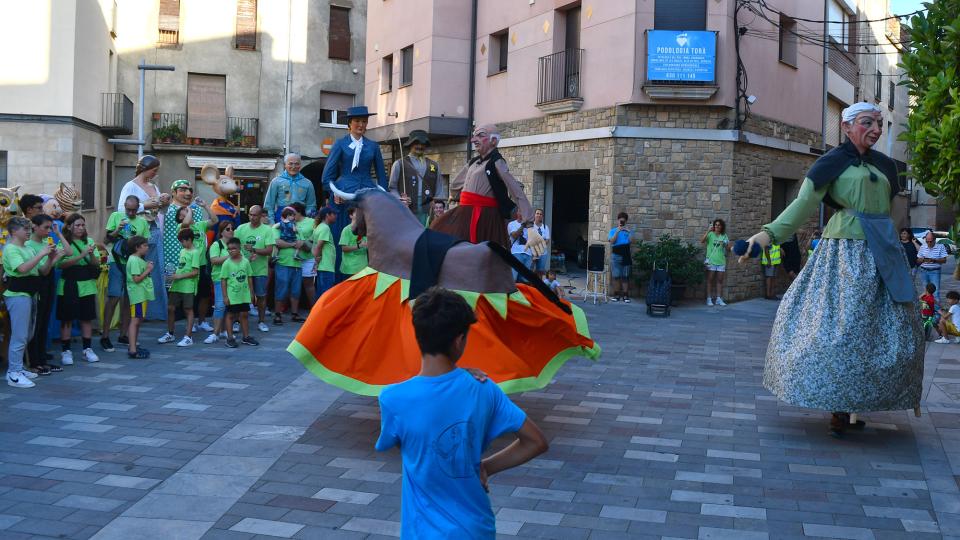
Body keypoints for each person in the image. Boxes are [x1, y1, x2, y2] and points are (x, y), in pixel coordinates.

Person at [740, 101, 922, 437]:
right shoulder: (831, 164)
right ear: (847, 126)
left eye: (879, 124)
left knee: (879, 333)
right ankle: (839, 407)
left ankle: (856, 403)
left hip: (883, 253)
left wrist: (891, 241)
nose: (876, 130)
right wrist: (766, 236)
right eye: (868, 123)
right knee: (842, 331)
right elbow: (802, 205)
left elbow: (897, 211)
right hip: (845, 255)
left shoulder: (886, 166)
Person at [375, 287, 548, 538]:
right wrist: (486, 467)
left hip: (422, 532)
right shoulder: (484, 389)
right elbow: (536, 441)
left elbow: (396, 443)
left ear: (418, 333)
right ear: (459, 340)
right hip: (475, 528)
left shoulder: (392, 399)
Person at [431, 124, 543, 255]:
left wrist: (530, 226)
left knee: (483, 257)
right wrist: (455, 196)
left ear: (493, 141)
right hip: (464, 214)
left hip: (484, 218)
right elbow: (456, 184)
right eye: (474, 136)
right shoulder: (473, 162)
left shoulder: (497, 162)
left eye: (480, 135)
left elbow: (516, 192)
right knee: (441, 242)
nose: (473, 140)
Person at [321, 106, 387, 282]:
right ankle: (338, 282)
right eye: (357, 121)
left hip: (367, 196)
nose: (361, 125)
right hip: (343, 197)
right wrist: (333, 192)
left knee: (369, 238)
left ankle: (367, 280)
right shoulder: (340, 144)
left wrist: (382, 197)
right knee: (341, 239)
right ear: (349, 124)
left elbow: (382, 177)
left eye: (364, 121)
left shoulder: (373, 146)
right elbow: (327, 176)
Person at [118, 155, 171, 321]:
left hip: (154, 231)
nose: (156, 173)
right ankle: (137, 311)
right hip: (137, 235)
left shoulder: (154, 186)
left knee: (155, 270)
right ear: (145, 168)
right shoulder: (130, 186)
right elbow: (122, 210)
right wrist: (146, 205)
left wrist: (164, 203)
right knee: (138, 270)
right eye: (154, 170)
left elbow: (161, 212)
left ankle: (154, 312)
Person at [5, 217, 56, 388]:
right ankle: (13, 372)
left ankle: (19, 367)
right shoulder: (11, 249)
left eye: (29, 228)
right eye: (24, 228)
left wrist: (51, 258)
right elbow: (22, 269)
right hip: (18, 294)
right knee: (19, 335)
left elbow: (41, 270)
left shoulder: (27, 248)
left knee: (28, 334)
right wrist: (42, 253)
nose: (28, 231)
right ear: (13, 231)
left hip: (31, 294)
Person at [163, 179, 218, 334]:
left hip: (200, 262)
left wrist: (205, 206)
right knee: (184, 296)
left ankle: (201, 321)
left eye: (189, 190)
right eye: (182, 190)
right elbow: (186, 223)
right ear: (174, 192)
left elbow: (214, 220)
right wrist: (189, 210)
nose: (187, 193)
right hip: (181, 263)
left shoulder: (198, 220)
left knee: (204, 293)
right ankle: (186, 324)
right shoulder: (173, 215)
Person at [102, 195, 149, 351]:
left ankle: (123, 335)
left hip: (133, 265)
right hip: (116, 262)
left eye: (134, 210)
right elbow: (106, 241)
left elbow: (144, 248)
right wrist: (118, 230)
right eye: (128, 209)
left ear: (138, 208)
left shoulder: (142, 222)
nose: (130, 213)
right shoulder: (116, 216)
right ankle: (105, 335)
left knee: (130, 301)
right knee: (114, 297)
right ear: (124, 206)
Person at [25, 214, 69, 375]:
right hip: (38, 283)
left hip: (49, 282)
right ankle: (34, 361)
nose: (48, 231)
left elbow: (68, 252)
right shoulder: (29, 245)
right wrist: (52, 258)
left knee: (44, 321)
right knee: (36, 323)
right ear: (34, 227)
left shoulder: (47, 242)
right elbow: (42, 270)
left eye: (50, 227)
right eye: (45, 227)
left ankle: (42, 359)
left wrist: (58, 234)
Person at [56, 214, 101, 364]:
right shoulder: (64, 243)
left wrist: (90, 254)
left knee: (86, 318)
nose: (81, 228)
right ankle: (66, 351)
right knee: (67, 319)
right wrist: (81, 255)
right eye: (77, 225)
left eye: (83, 225)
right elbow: (60, 265)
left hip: (87, 284)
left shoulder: (89, 241)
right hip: (68, 284)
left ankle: (87, 349)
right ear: (69, 226)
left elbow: (95, 263)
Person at [389, 129, 445, 225]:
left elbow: (439, 190)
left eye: (423, 143)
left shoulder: (434, 165)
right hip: (407, 211)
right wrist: (400, 200)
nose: (420, 146)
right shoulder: (399, 164)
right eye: (417, 143)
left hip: (428, 213)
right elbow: (392, 188)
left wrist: (438, 208)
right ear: (410, 144)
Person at [234, 205, 274, 332]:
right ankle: (237, 321)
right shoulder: (241, 228)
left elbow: (269, 250)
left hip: (259, 269)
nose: (252, 217)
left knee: (261, 296)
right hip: (242, 269)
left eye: (255, 215)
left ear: (261, 216)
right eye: (250, 214)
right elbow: (233, 246)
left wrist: (254, 249)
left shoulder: (267, 230)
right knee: (239, 296)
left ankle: (261, 322)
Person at [158, 228, 201, 347]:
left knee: (188, 309)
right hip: (177, 284)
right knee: (171, 308)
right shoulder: (183, 251)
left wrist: (178, 276)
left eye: (182, 241)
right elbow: (182, 267)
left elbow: (195, 272)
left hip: (188, 286)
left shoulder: (195, 252)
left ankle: (188, 337)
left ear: (189, 240)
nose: (181, 244)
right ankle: (170, 333)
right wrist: (172, 276)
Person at [220, 237, 259, 348]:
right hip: (232, 295)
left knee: (244, 314)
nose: (231, 250)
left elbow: (249, 277)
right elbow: (223, 281)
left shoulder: (246, 261)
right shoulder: (226, 263)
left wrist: (252, 293)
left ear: (239, 248)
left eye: (233, 248)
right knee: (230, 315)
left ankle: (246, 337)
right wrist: (225, 296)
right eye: (229, 249)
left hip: (244, 295)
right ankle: (230, 338)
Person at [273, 207, 308, 325]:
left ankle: (294, 313)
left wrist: (302, 244)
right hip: (283, 263)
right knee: (281, 289)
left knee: (296, 291)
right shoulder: (278, 226)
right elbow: (277, 242)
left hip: (297, 264)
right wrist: (294, 244)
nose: (294, 216)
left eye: (295, 214)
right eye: (292, 214)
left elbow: (303, 243)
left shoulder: (297, 228)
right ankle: (277, 314)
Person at [264, 153, 317, 223]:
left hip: (301, 219)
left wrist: (307, 221)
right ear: (285, 165)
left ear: (300, 165)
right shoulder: (276, 181)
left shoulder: (308, 183)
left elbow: (311, 205)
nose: (293, 166)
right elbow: (269, 205)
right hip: (281, 219)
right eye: (290, 163)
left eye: (297, 164)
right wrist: (271, 222)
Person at [205, 221, 235, 344]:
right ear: (221, 231)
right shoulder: (217, 245)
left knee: (230, 307)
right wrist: (230, 255)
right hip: (219, 278)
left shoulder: (235, 244)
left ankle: (224, 331)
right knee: (220, 306)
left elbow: (240, 258)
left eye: (232, 228)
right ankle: (215, 333)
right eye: (228, 229)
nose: (231, 231)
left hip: (233, 280)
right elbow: (214, 260)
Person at [125, 236, 154, 359]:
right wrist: (148, 270)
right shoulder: (134, 260)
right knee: (135, 321)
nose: (147, 247)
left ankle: (134, 345)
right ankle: (132, 349)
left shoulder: (138, 260)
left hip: (141, 294)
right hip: (138, 295)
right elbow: (136, 279)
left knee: (138, 321)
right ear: (137, 247)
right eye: (145, 245)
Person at [290, 202, 317, 308]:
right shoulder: (288, 221)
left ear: (299, 212)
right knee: (292, 285)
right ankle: (292, 311)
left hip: (308, 257)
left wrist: (305, 244)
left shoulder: (312, 222)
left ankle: (314, 309)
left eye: (292, 213)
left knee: (309, 284)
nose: (291, 215)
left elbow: (316, 238)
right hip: (292, 258)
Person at [701, 218, 728, 306]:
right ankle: (709, 299)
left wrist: (725, 244)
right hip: (711, 261)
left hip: (721, 261)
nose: (717, 226)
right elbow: (702, 241)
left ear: (721, 226)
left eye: (719, 225)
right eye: (715, 225)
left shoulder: (724, 236)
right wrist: (708, 231)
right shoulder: (711, 234)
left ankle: (718, 299)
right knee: (710, 280)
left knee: (720, 280)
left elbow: (728, 248)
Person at [311, 207, 337, 300]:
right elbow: (319, 245)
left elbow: (313, 244)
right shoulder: (325, 228)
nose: (336, 216)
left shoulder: (319, 227)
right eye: (334, 214)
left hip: (323, 266)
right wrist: (318, 257)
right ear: (327, 215)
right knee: (326, 296)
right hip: (326, 267)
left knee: (321, 294)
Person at [608, 212, 632, 303]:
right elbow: (612, 242)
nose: (621, 222)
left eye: (623, 221)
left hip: (626, 255)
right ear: (618, 221)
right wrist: (618, 231)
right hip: (616, 255)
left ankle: (626, 296)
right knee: (616, 276)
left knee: (625, 277)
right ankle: (616, 294)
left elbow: (631, 241)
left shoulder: (628, 231)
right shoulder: (613, 231)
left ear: (626, 222)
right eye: (620, 221)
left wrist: (629, 232)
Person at [917, 230, 947, 302]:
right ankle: (927, 309)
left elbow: (944, 260)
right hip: (923, 271)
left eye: (931, 241)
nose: (929, 243)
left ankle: (936, 311)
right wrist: (923, 259)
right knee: (926, 291)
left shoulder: (941, 246)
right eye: (927, 241)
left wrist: (934, 260)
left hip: (935, 271)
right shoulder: (923, 247)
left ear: (935, 240)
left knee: (935, 292)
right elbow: (918, 260)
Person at [339, 206, 368, 277]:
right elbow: (344, 248)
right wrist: (359, 246)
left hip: (363, 269)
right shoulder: (346, 230)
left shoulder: (365, 229)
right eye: (357, 213)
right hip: (350, 269)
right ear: (351, 216)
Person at [507, 208, 531, 282]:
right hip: (516, 253)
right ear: (517, 213)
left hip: (528, 254)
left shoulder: (530, 226)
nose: (523, 213)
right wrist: (523, 225)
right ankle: (512, 293)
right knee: (513, 278)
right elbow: (514, 235)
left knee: (525, 280)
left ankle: (523, 293)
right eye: (521, 211)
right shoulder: (512, 224)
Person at [900, 228, 922, 292]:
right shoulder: (898, 243)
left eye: (904, 233)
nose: (902, 235)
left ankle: (910, 299)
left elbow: (921, 251)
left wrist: (914, 242)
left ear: (909, 235)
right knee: (901, 284)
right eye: (901, 233)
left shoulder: (913, 242)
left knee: (910, 284)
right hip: (901, 268)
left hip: (912, 267)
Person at [532, 209, 551, 278]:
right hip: (532, 252)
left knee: (540, 271)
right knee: (531, 270)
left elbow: (547, 240)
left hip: (543, 253)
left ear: (542, 216)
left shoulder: (545, 227)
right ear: (534, 215)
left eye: (540, 214)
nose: (539, 215)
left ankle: (539, 287)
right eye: (537, 213)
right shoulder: (531, 226)